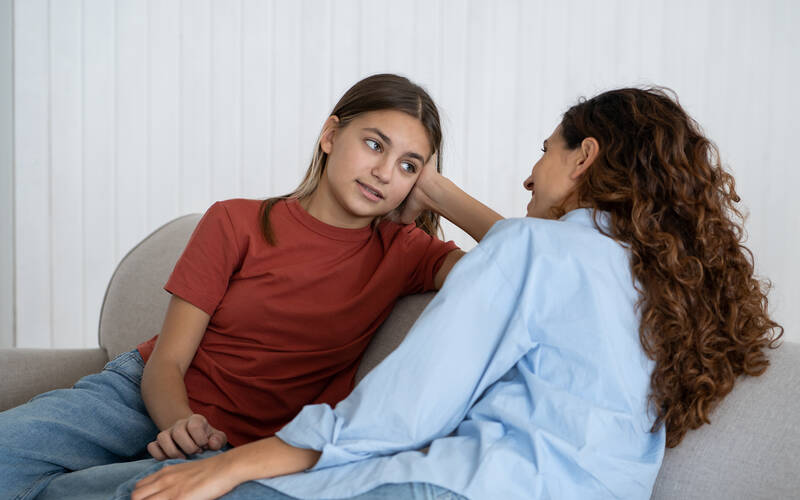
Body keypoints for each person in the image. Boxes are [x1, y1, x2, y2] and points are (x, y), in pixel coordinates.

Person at [118, 87, 782, 500]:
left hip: (466, 487)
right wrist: (432, 189)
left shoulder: (537, 250)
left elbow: (398, 415)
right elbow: (527, 261)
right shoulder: (655, 279)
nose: (528, 175)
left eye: (545, 152)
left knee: (124, 493)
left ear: (583, 159)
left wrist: (234, 468)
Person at [0, 73, 502, 500]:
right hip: (143, 395)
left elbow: (522, 267)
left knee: (149, 492)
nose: (384, 172)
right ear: (330, 134)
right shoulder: (235, 222)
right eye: (374, 144)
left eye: (408, 166)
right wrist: (180, 423)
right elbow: (167, 361)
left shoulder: (406, 251)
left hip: (241, 449)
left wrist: (442, 194)